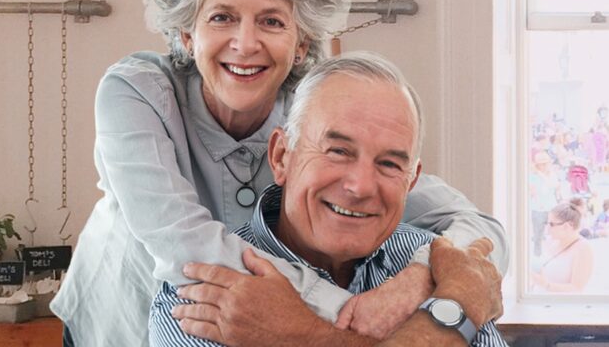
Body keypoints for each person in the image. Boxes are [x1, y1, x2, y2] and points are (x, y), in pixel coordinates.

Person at [50, 0, 508, 345]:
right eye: (222, 17)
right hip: (121, 318)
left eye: (271, 21)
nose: (246, 44)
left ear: (301, 42)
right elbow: (182, 241)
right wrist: (338, 313)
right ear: (188, 35)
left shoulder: (315, 116)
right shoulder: (137, 91)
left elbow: (478, 228)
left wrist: (420, 278)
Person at [149, 52, 506, 346]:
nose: (361, 185)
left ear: (411, 181)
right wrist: (457, 310)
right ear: (281, 157)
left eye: (389, 163)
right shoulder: (203, 291)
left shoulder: (448, 268)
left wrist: (301, 335)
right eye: (337, 151)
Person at [530, 202, 594, 293]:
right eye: (546, 223)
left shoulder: (583, 249)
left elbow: (576, 288)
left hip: (559, 304)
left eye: (551, 224)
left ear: (567, 226)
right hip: (539, 300)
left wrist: (546, 285)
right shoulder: (551, 241)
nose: (547, 228)